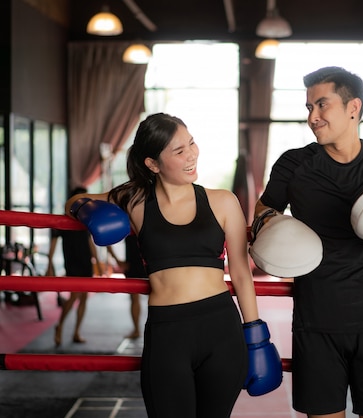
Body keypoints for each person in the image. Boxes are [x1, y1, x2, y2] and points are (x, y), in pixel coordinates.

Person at [64, 113, 282, 418]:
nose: (191, 154)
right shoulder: (134, 199)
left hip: (221, 330)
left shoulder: (222, 201)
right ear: (152, 163)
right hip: (168, 333)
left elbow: (242, 275)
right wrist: (85, 209)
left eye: (191, 143)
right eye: (179, 151)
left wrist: (257, 336)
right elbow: (77, 199)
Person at [254, 66, 363, 418]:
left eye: (321, 105)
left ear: (353, 107)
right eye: (308, 108)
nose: (312, 117)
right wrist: (272, 224)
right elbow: (263, 209)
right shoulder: (294, 164)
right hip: (317, 319)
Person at [46, 186, 104, 347]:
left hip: (85, 261)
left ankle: (77, 331)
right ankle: (59, 326)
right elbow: (53, 244)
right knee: (74, 296)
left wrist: (97, 262)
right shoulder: (62, 220)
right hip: (72, 262)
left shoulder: (86, 219)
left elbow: (89, 241)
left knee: (84, 297)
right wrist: (49, 265)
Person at [107, 233, 147, 339]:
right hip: (133, 264)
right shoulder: (127, 222)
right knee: (134, 298)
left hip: (148, 262)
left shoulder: (147, 220)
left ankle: (149, 330)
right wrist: (117, 260)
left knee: (156, 297)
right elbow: (107, 238)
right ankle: (137, 330)